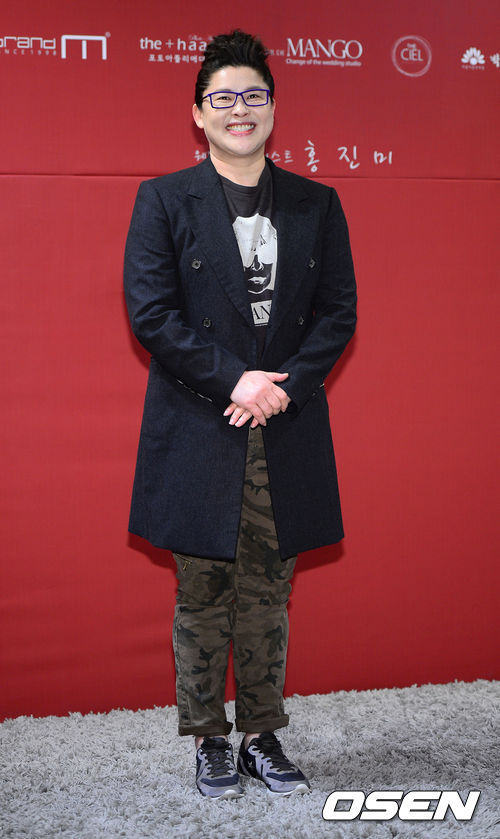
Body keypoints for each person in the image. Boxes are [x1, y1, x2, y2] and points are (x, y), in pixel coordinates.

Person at [124, 29, 357, 799]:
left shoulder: (317, 204)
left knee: (268, 593)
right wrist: (237, 379)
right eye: (222, 97)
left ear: (273, 108)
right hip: (202, 424)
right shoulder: (164, 199)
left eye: (253, 95)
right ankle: (209, 738)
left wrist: (282, 386)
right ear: (199, 113)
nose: (239, 109)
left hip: (284, 425)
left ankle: (261, 734)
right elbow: (152, 313)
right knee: (202, 594)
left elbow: (338, 312)